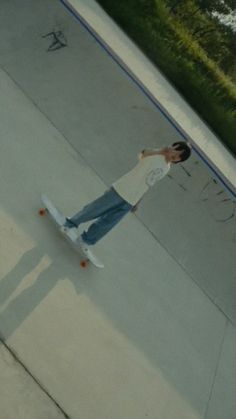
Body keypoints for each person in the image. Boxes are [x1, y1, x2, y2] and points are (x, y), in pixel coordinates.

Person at [62, 141, 191, 258]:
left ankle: (86, 240)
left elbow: (149, 183)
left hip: (131, 200)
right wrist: (162, 150)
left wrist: (138, 201)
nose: (173, 156)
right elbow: (143, 154)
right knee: (94, 209)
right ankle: (70, 224)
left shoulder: (166, 168)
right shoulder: (157, 154)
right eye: (174, 151)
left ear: (179, 161)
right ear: (171, 146)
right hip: (121, 190)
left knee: (108, 222)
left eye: (176, 157)